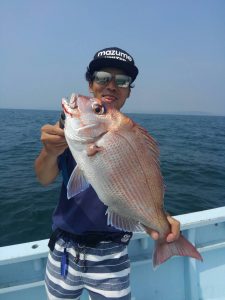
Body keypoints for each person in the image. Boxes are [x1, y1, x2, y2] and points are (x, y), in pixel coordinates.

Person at [35, 47, 180, 300]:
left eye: (122, 81)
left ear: (128, 91)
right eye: (102, 77)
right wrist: (49, 151)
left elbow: (138, 190)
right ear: (91, 84)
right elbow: (44, 178)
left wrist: (160, 219)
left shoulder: (131, 138)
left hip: (112, 253)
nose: (112, 85)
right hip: (63, 250)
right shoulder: (68, 131)